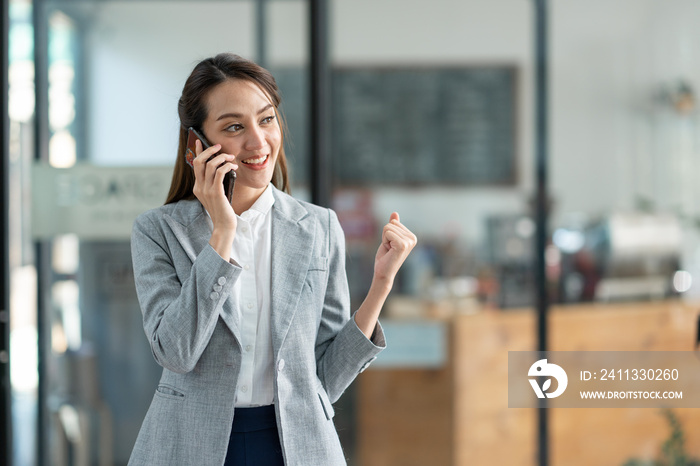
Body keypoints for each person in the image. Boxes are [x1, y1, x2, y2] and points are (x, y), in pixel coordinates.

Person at [128, 53, 417, 466]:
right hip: (188, 444)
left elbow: (326, 379)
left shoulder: (319, 226)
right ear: (199, 143)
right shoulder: (157, 231)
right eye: (233, 127)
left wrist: (381, 285)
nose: (257, 142)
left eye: (266, 119)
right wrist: (222, 233)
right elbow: (176, 353)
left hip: (294, 445)